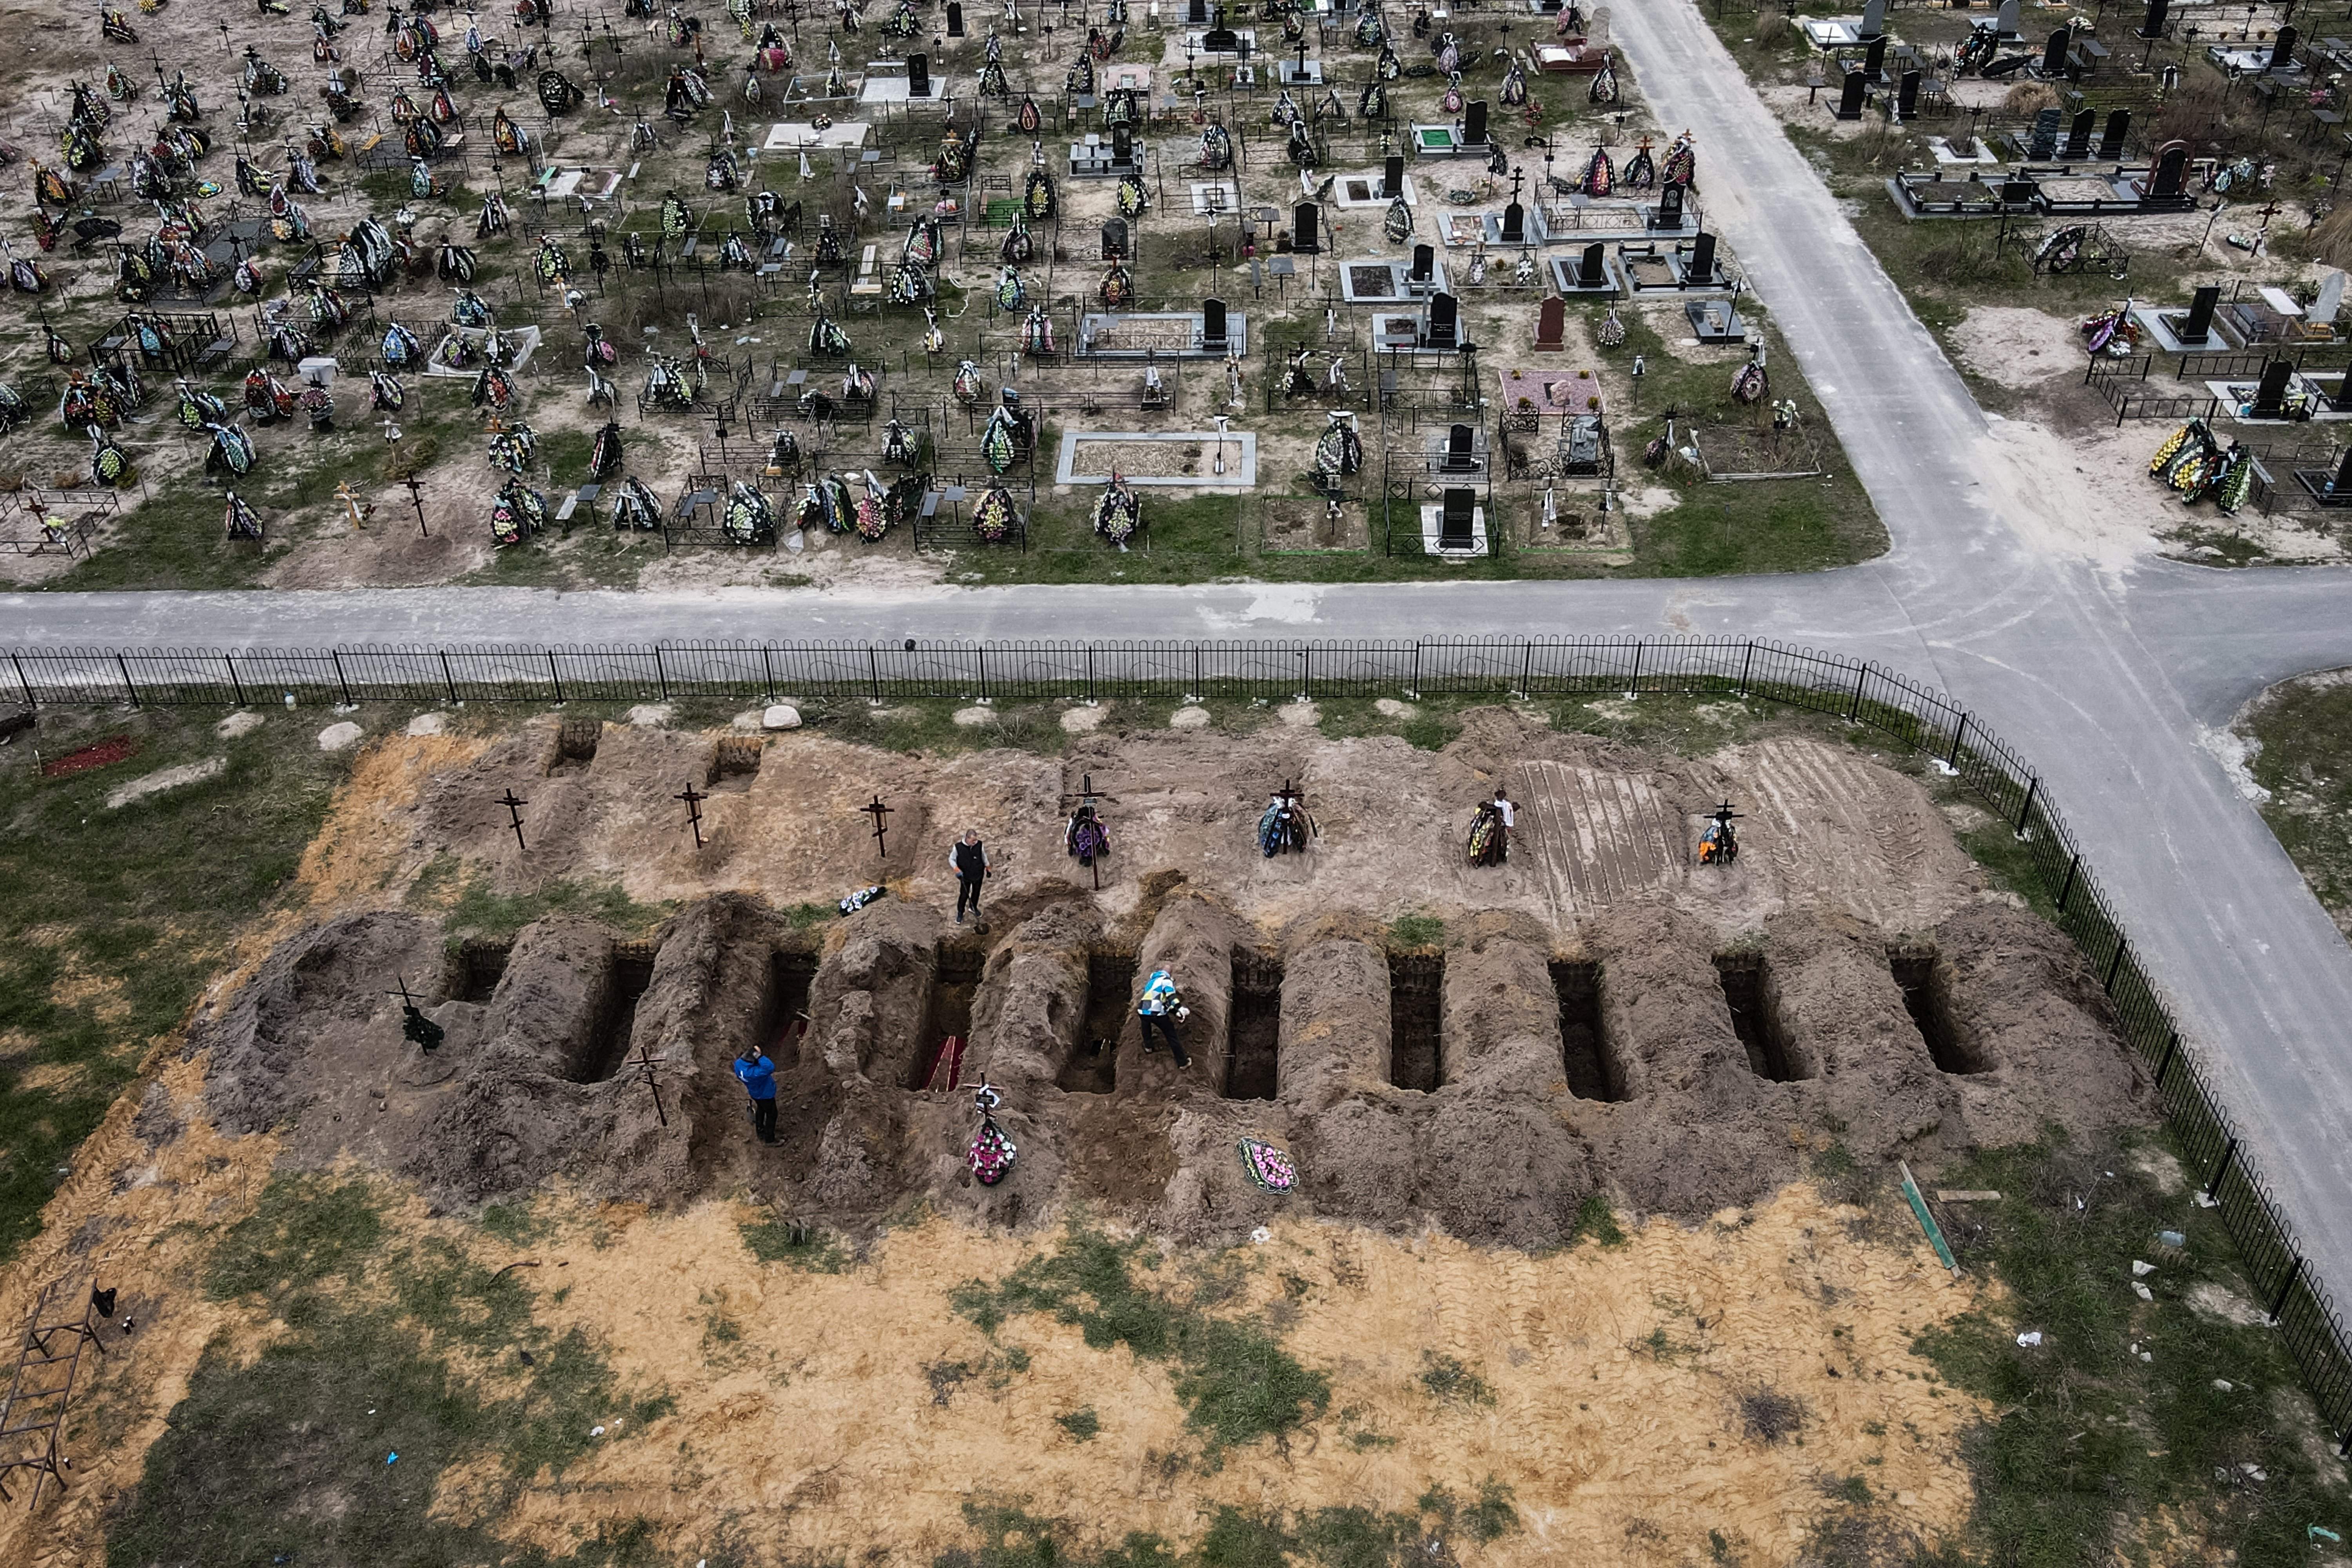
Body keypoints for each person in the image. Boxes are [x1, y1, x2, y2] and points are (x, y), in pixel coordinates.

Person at [1137, 966, 1190, 1068]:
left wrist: (1176, 1013)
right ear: (1170, 974)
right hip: (1157, 1014)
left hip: (1142, 1011)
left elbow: (1161, 1001)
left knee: (1146, 1025)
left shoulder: (1151, 983)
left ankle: (1148, 1047)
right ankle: (1182, 1063)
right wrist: (1179, 1008)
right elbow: (1171, 997)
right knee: (1171, 1036)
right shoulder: (1167, 981)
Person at [733, 1047, 778, 1143]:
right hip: (766, 1095)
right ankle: (770, 1140)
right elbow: (770, 1067)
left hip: (754, 1094)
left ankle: (760, 1130)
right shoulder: (755, 1073)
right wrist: (759, 1056)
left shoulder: (739, 1065)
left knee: (761, 1109)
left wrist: (754, 1052)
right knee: (772, 1114)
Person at [950, 828, 989, 923]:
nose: (975, 842)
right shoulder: (958, 847)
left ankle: (973, 907)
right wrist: (957, 870)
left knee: (976, 892)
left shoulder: (979, 845)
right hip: (965, 875)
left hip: (978, 873)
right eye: (973, 841)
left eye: (976, 840)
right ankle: (960, 913)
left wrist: (988, 868)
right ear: (967, 839)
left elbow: (984, 856)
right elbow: (952, 859)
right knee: (964, 894)